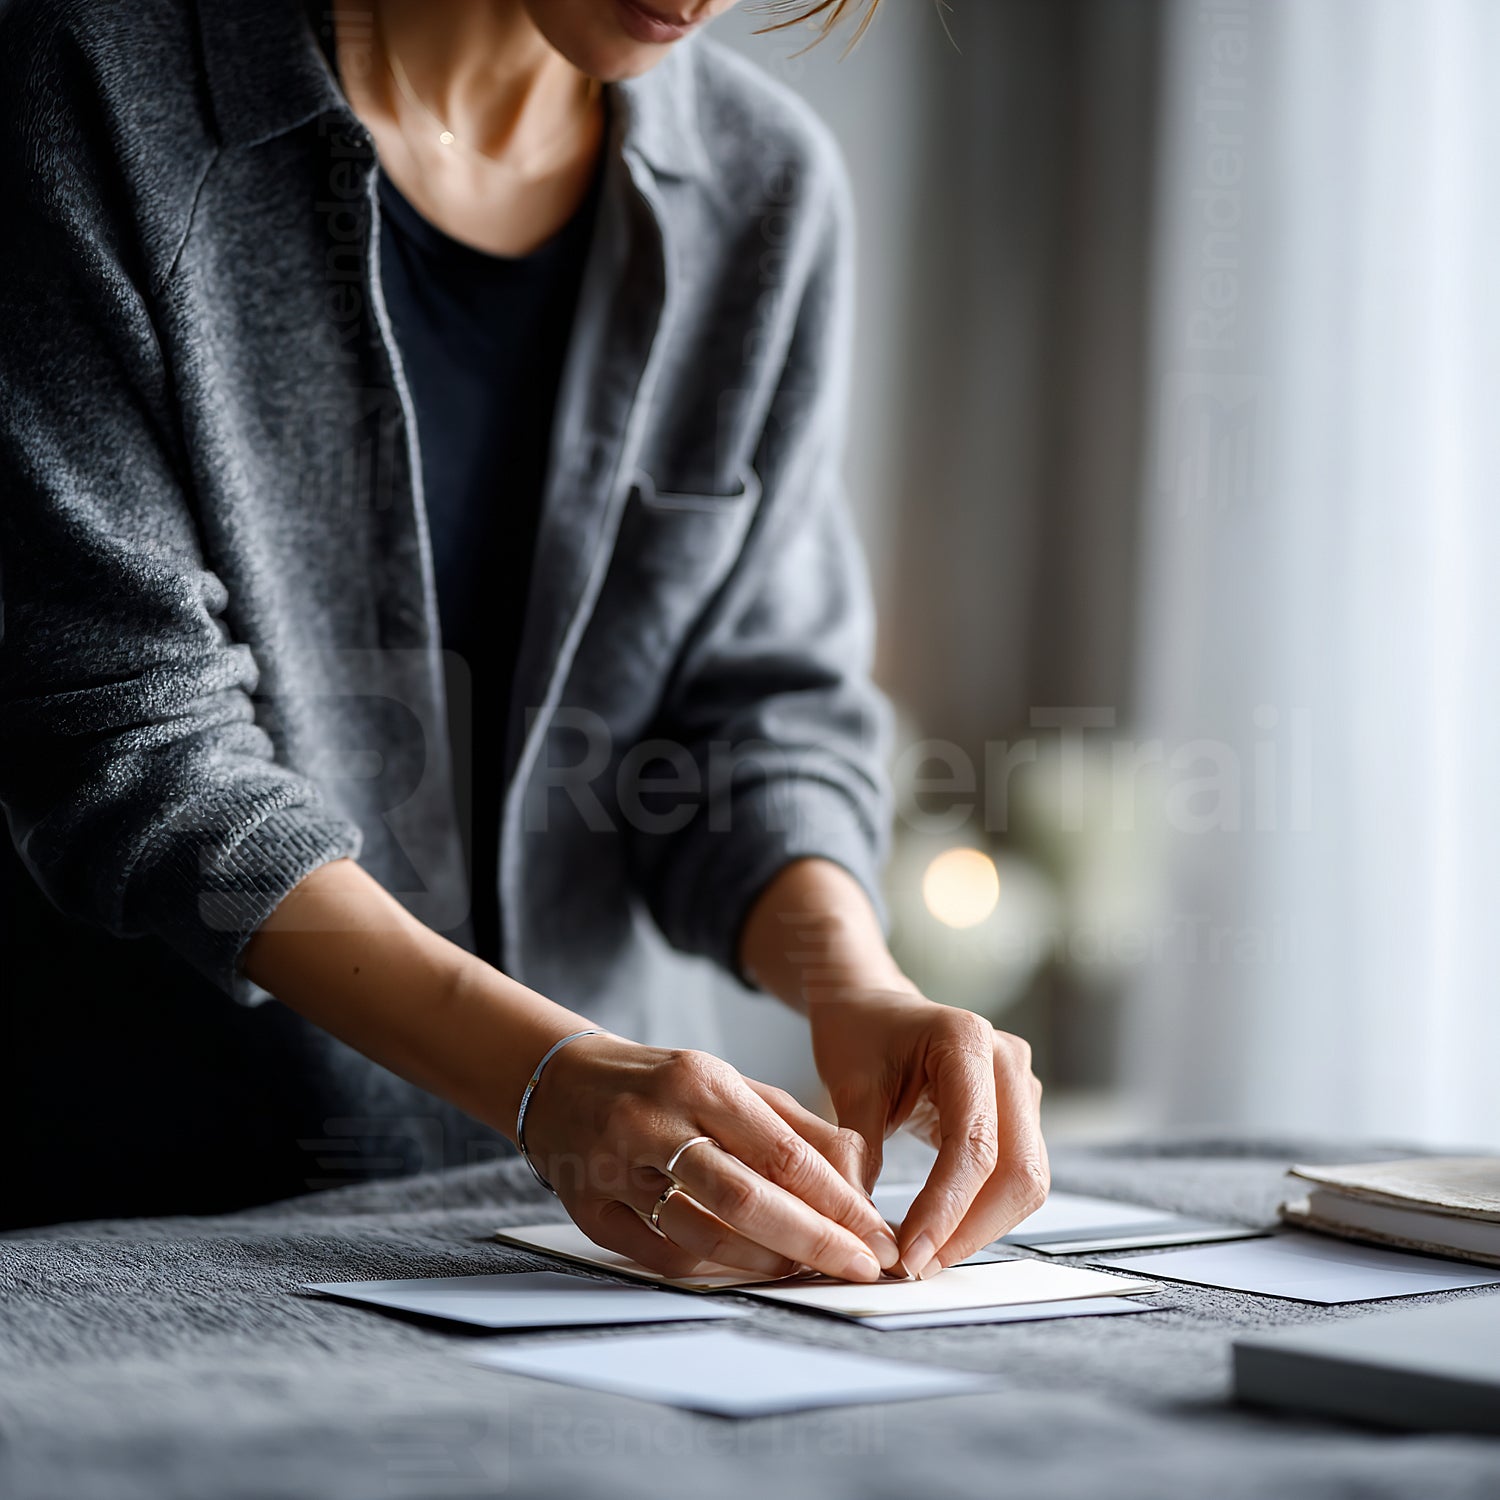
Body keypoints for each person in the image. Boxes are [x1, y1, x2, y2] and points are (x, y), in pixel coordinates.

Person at [0, 0, 1046, 1280]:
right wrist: (547, 1080)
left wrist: (856, 984)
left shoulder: (763, 186)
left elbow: (749, 716)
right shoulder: (91, 86)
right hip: (147, 1226)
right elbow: (126, 736)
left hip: (590, 1248)